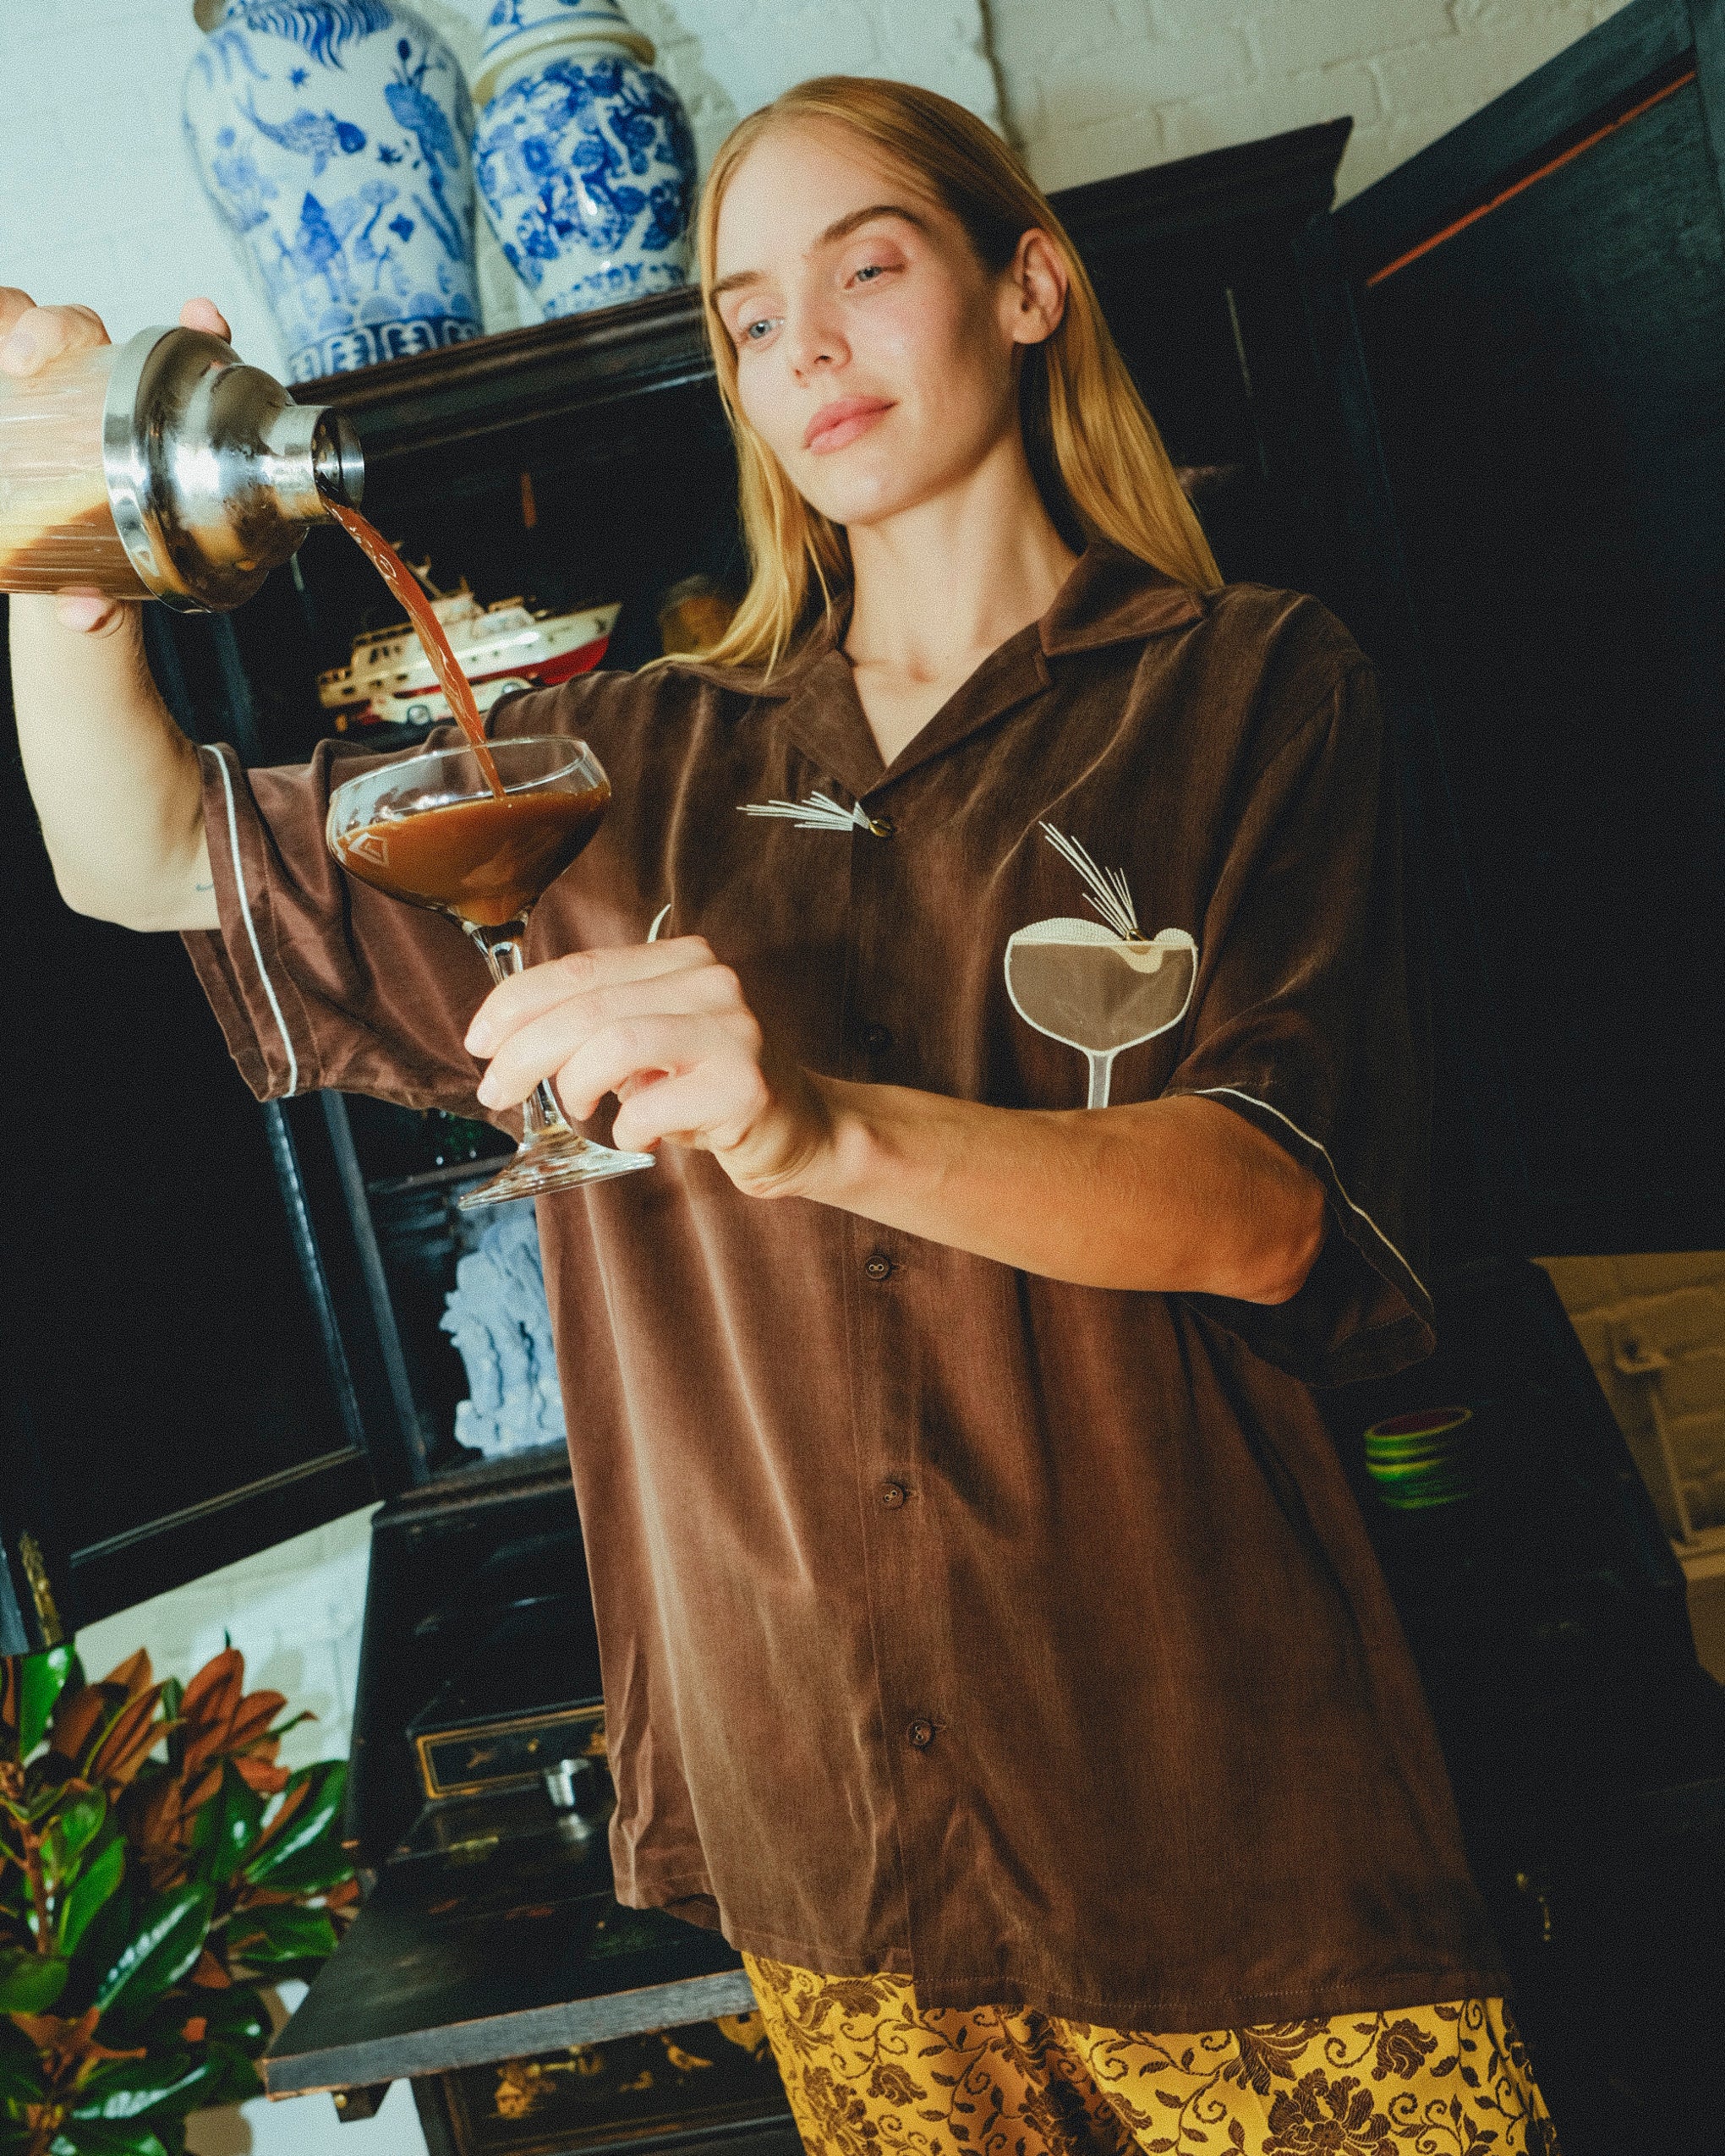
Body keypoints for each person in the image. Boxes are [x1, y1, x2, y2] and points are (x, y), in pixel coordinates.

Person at [4, 76, 1561, 2156]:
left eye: (869, 267)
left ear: (1028, 285)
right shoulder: (608, 767)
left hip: (1225, 1821)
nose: (805, 345)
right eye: (747, 314)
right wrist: (54, 550)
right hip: (842, 1858)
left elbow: (1263, 1209)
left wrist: (817, 1122)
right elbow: (145, 857)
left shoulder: (1254, 691)